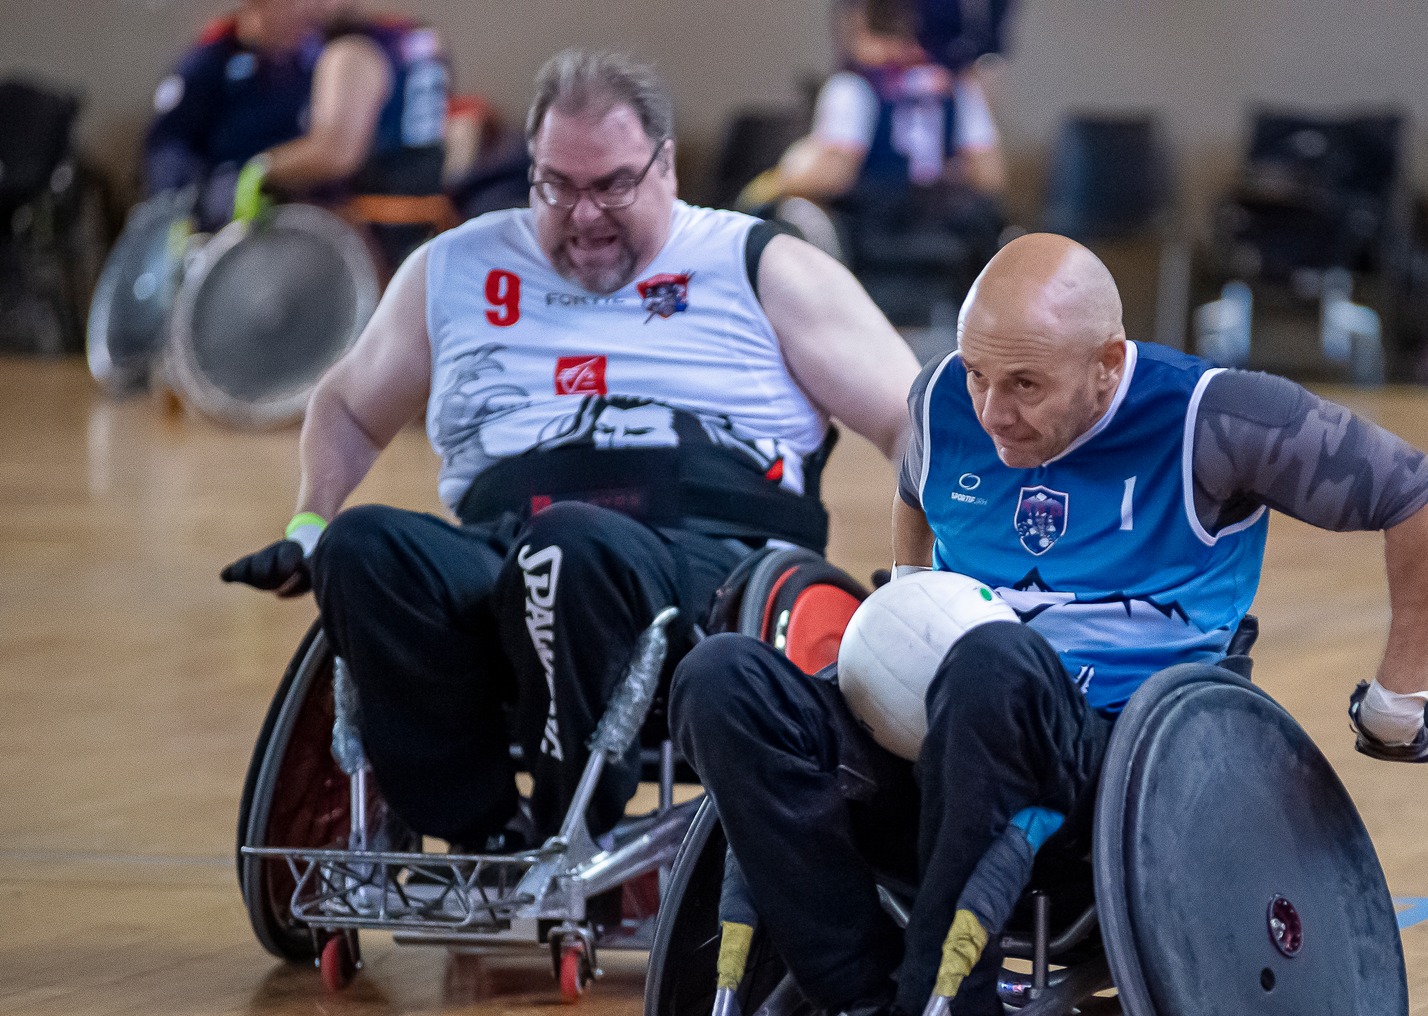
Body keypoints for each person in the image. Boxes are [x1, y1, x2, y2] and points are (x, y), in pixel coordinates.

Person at [671, 233, 1428, 1016]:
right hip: (942, 748)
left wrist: (1397, 702)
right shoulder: (940, 399)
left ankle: (945, 999)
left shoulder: (1214, 415)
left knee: (991, 663)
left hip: (1117, 776)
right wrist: (906, 606)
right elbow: (917, 492)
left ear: (1106, 363)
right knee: (720, 678)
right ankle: (858, 995)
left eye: (1024, 384)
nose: (992, 411)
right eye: (979, 374)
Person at [220, 49, 920, 852]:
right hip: (510, 549)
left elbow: (912, 420)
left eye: (613, 184)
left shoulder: (761, 264)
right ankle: (482, 833)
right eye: (558, 185)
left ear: (666, 165)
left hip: (704, 567)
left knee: (574, 545)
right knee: (365, 546)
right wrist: (311, 522)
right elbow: (345, 404)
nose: (585, 214)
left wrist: (919, 574)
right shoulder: (456, 266)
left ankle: (571, 830)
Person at [746, 0, 1005, 317]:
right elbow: (991, 176)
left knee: (790, 210)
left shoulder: (854, 85)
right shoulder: (957, 87)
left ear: (857, 23)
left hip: (873, 246)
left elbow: (833, 172)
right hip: (942, 246)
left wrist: (780, 177)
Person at [143, 0, 447, 230]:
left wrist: (259, 173)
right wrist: (193, 201)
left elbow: (335, 152)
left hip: (336, 219)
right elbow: (168, 148)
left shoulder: (332, 51)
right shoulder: (212, 60)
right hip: (226, 220)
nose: (306, 8)